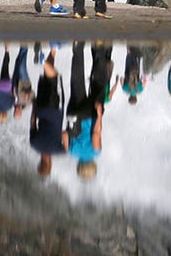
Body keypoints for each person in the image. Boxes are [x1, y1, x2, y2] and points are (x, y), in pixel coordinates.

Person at [66, 41, 104, 180]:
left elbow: (95, 134)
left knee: (99, 82)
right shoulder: (71, 152)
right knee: (76, 81)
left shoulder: (95, 153)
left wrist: (99, 115)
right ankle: (78, 47)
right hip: (74, 114)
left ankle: (98, 46)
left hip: (90, 114)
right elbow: (64, 134)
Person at [29, 46, 65, 176]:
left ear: (50, 164)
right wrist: (34, 105)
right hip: (41, 110)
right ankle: (53, 51)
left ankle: (43, 61)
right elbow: (33, 122)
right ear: (39, 163)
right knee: (48, 78)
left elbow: (66, 135)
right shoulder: (34, 145)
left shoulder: (59, 151)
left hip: (56, 111)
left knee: (55, 78)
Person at [13, 45, 33, 119]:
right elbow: (33, 94)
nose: (16, 110)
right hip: (24, 82)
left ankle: (22, 47)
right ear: (21, 112)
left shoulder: (13, 103)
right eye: (18, 112)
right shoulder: (27, 104)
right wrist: (27, 93)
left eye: (15, 112)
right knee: (21, 67)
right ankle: (25, 46)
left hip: (16, 80)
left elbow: (11, 92)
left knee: (18, 62)